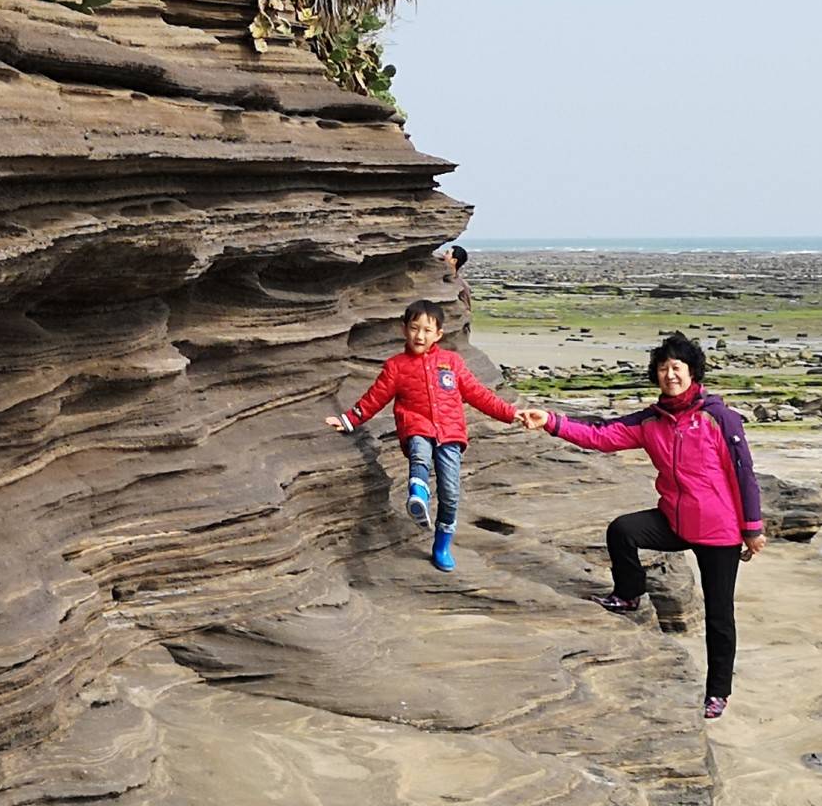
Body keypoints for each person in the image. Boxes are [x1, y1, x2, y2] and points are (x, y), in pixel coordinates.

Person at [518, 332, 766, 720]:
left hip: (719, 531)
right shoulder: (652, 421)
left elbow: (743, 473)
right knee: (623, 531)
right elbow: (601, 436)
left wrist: (752, 528)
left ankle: (718, 692)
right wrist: (551, 421)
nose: (671, 375)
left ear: (693, 373)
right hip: (675, 521)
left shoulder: (718, 417)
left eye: (678, 368)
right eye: (664, 368)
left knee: (720, 616)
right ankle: (629, 594)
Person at [326, 299, 517, 571]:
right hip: (416, 425)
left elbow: (479, 394)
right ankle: (417, 493)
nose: (420, 335)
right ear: (404, 329)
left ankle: (441, 545)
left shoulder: (452, 363)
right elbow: (375, 398)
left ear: (438, 334)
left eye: (427, 330)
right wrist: (348, 419)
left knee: (450, 494)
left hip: (450, 434)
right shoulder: (397, 366)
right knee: (419, 452)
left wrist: (511, 413)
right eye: (414, 328)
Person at [440, 245, 472, 336]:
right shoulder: (437, 279)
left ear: (453, 261)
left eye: (447, 253)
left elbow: (467, 308)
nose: (443, 255)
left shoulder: (461, 286)